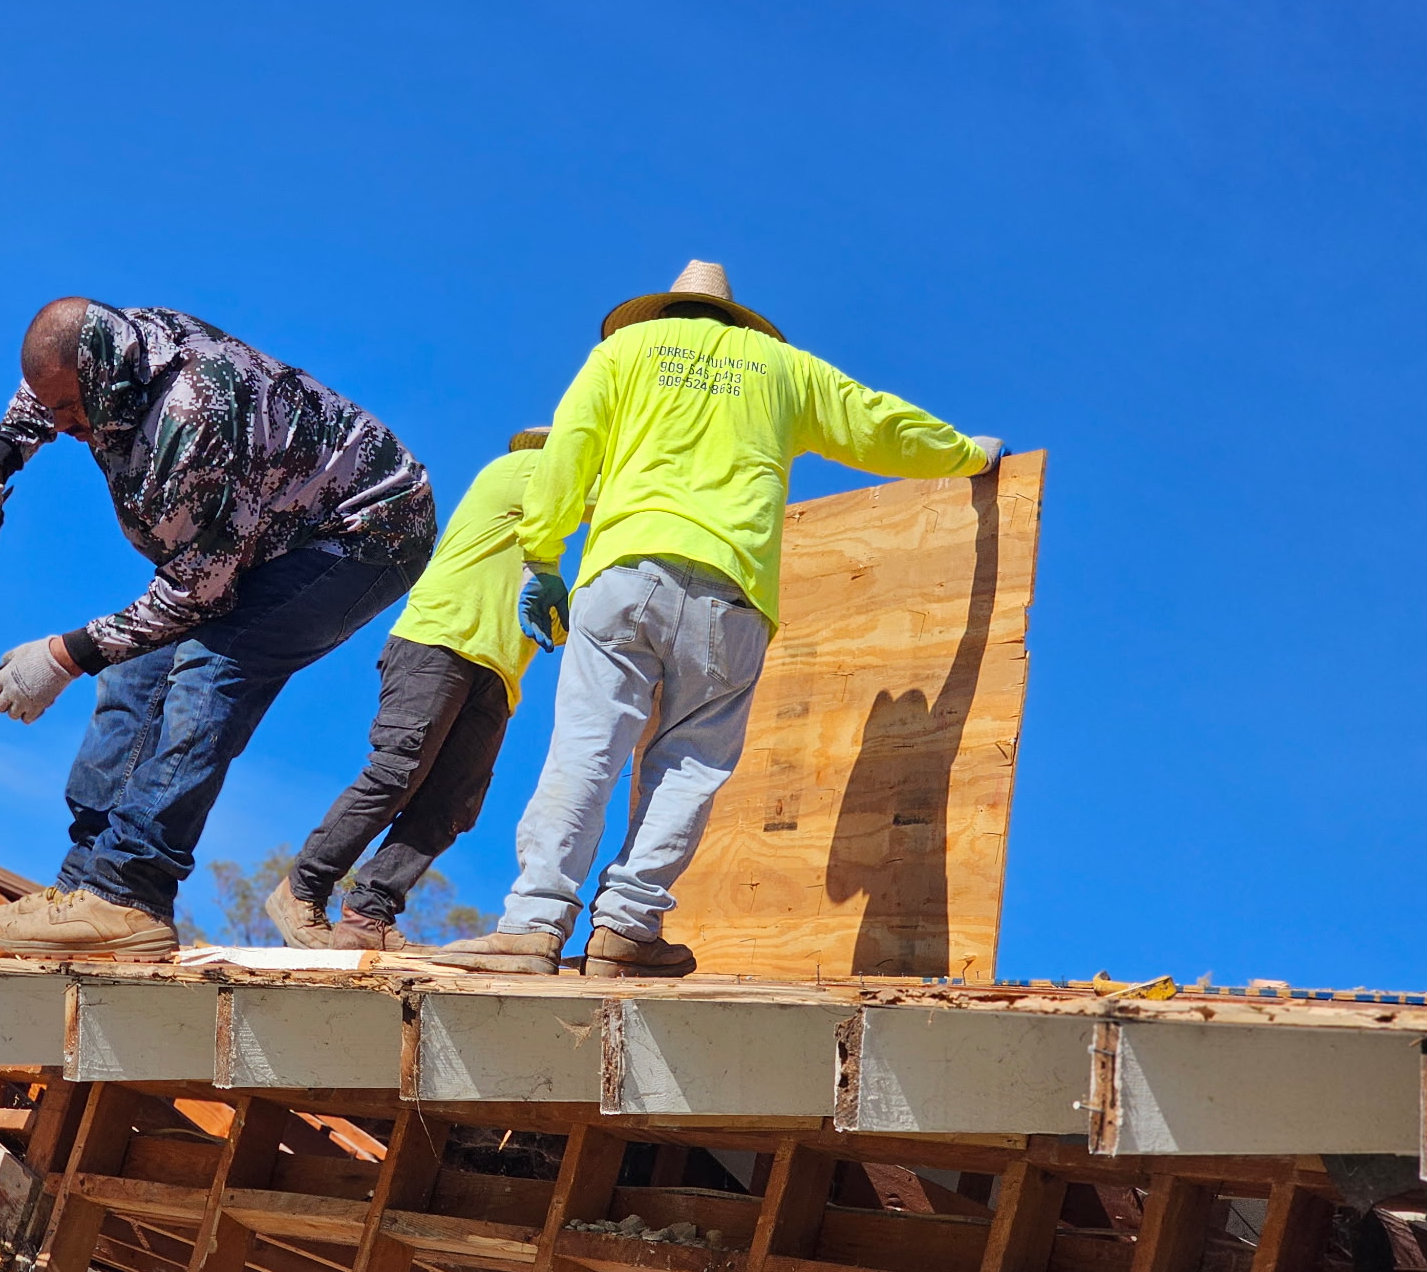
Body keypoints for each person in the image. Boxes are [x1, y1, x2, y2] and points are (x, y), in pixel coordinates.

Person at [423, 262, 1004, 977]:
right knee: (690, 763)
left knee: (586, 747)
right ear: (736, 319)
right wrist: (966, 453)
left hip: (624, 573)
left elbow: (567, 450)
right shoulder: (784, 367)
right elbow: (877, 423)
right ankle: (627, 929)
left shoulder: (622, 351)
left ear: (662, 312)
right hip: (731, 593)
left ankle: (532, 927)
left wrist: (542, 556)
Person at [0, 299, 435, 959]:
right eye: (53, 409)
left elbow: (195, 595)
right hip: (271, 521)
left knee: (213, 665)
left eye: (71, 411)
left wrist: (64, 656)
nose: (60, 428)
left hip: (363, 532)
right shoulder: (105, 353)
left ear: (108, 382)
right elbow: (43, 391)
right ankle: (83, 887)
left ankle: (130, 894)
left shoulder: (193, 417)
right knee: (134, 672)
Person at [263, 428, 566, 951]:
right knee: (397, 772)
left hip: (496, 675)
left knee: (452, 804)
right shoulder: (519, 472)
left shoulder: (544, 547)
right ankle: (302, 888)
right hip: (437, 643)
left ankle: (368, 915)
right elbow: (608, 492)